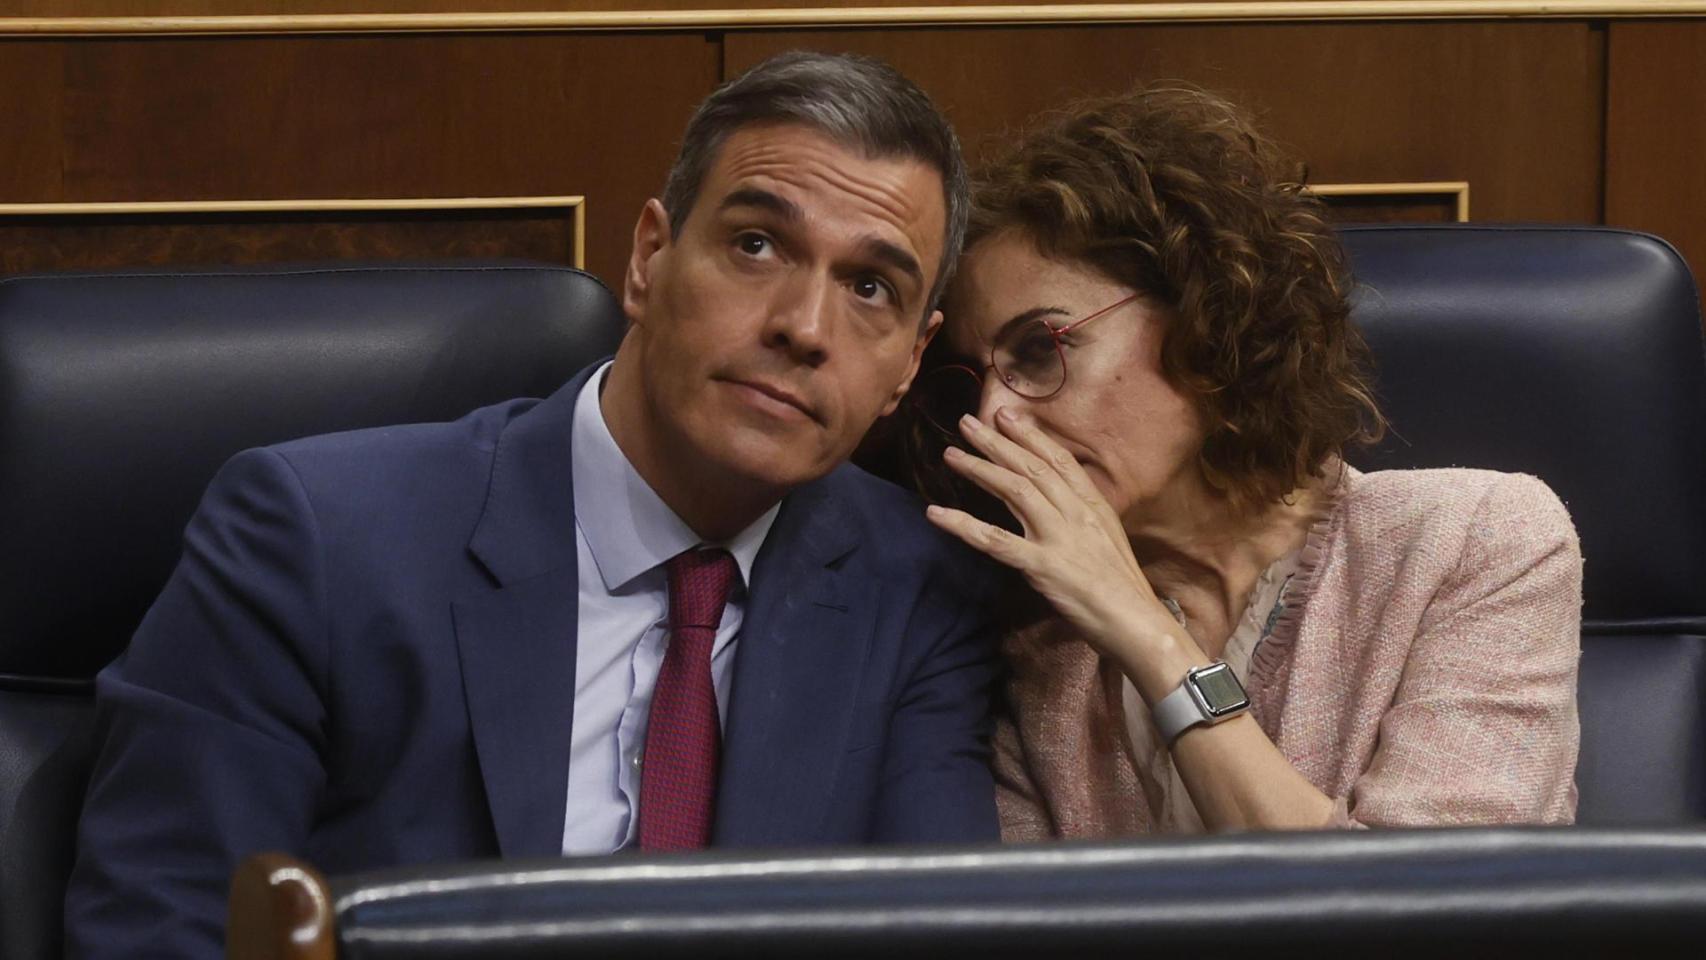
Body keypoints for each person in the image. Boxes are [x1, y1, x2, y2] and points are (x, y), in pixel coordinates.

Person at [67, 51, 999, 956]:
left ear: (909, 365)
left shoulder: (914, 593)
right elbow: (165, 926)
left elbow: (941, 938)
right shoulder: (313, 538)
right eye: (755, 244)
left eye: (870, 286)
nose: (803, 327)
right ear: (649, 259)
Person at [910, 85, 1581, 837]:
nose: (992, 416)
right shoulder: (1040, 648)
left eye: (1040, 348)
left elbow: (1438, 915)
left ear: (1205, 318)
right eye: (973, 379)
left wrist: (1147, 636)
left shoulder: (1474, 541)